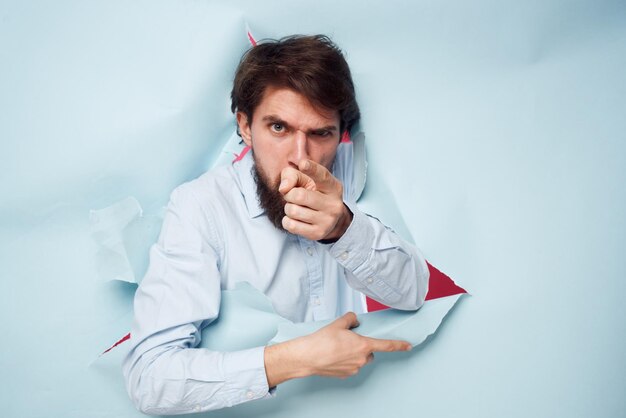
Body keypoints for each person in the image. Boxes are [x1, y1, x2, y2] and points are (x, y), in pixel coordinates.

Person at [123, 34, 430, 415]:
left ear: (340, 135)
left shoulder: (361, 183)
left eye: (320, 133)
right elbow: (150, 379)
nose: (299, 158)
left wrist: (344, 229)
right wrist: (296, 359)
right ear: (246, 126)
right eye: (279, 128)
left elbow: (415, 291)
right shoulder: (200, 207)